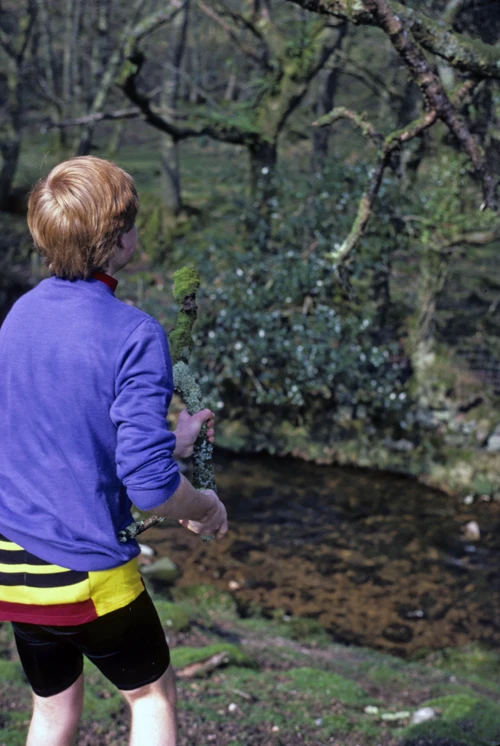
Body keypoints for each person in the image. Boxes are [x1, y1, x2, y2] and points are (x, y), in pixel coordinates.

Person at [0, 155, 228, 746]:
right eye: (131, 221)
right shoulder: (135, 334)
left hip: (13, 570)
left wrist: (169, 444)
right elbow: (150, 487)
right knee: (152, 696)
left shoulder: (19, 317)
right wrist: (202, 505)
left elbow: (58, 432)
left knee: (51, 711)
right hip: (85, 574)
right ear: (118, 239)